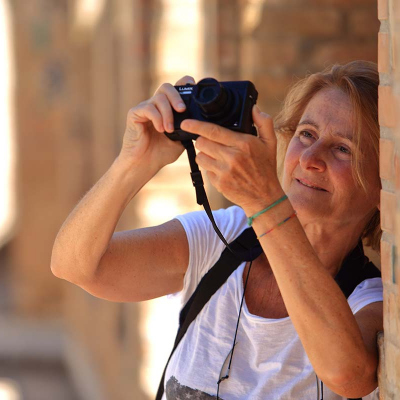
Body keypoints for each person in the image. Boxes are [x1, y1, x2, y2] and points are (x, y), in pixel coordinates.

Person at [51, 60, 383, 399]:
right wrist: (134, 162)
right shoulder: (222, 238)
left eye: (343, 148)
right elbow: (75, 266)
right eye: (306, 134)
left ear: (383, 188)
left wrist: (264, 202)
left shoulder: (370, 300)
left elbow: (348, 375)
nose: (310, 158)